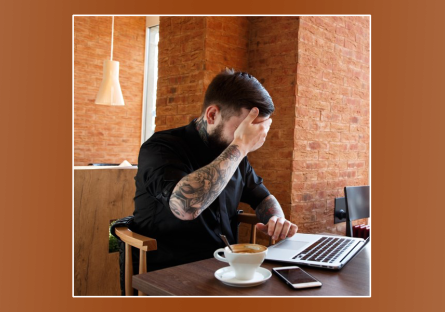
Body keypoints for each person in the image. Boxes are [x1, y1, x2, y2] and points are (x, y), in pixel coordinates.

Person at [131, 69, 298, 271]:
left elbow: (261, 197)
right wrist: (241, 146)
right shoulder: (160, 148)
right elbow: (185, 207)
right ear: (212, 115)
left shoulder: (235, 154)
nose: (249, 139)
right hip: (170, 270)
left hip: (226, 267)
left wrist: (276, 219)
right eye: (244, 131)